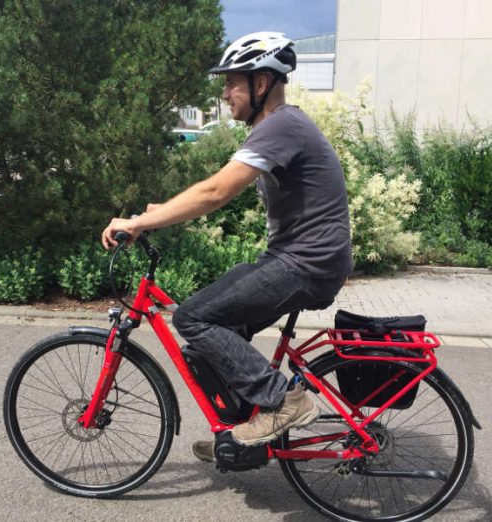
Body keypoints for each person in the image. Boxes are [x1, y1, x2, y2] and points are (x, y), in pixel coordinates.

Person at [101, 32, 352, 461]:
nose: (224, 92)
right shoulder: (278, 127)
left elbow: (217, 191)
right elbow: (215, 191)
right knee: (213, 336)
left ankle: (285, 401)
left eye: (232, 82)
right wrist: (163, 211)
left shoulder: (281, 126)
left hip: (306, 265)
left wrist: (140, 222)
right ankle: (241, 435)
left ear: (261, 84)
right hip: (296, 260)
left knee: (194, 317)